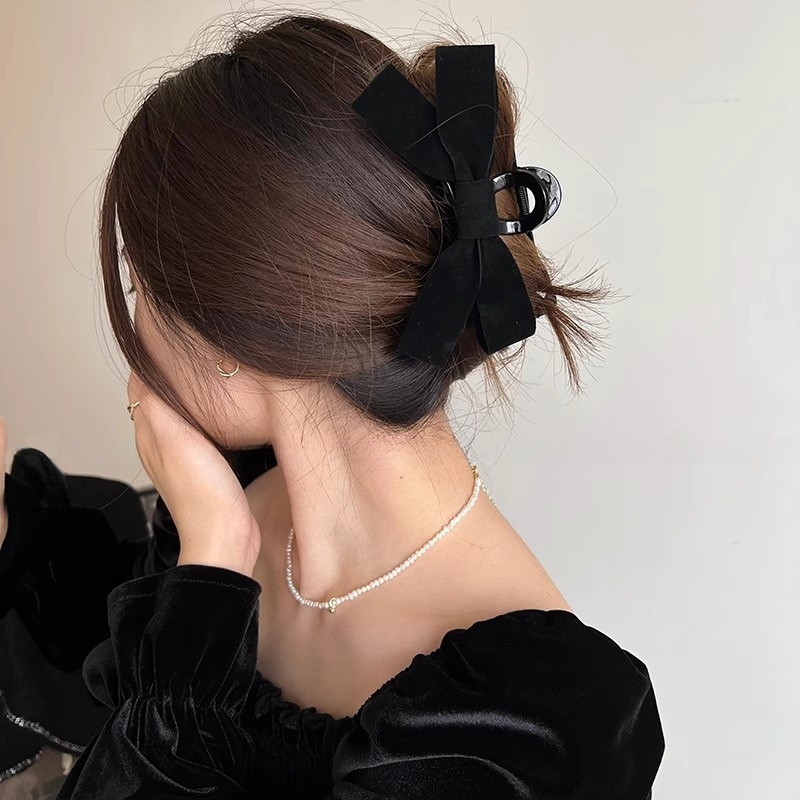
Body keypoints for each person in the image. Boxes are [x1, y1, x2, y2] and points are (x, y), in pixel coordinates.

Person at [0, 11, 665, 798]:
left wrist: (213, 570)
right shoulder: (229, 491)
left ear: (228, 335)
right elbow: (102, 664)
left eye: (140, 286)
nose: (135, 331)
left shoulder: (531, 734)